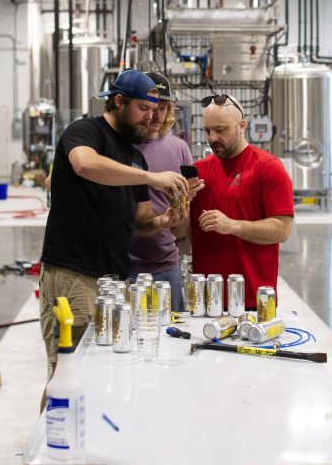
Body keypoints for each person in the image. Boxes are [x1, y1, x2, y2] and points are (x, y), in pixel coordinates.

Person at [38, 70, 190, 376]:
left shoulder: (134, 156)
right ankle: (54, 426)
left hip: (114, 280)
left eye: (155, 110)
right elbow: (84, 164)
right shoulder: (84, 132)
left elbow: (142, 222)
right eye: (143, 109)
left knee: (102, 371)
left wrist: (164, 220)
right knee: (68, 371)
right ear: (119, 102)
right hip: (73, 274)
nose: (150, 117)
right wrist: (150, 178)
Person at [190, 94, 294, 308]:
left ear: (241, 126)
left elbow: (282, 230)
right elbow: (182, 231)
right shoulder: (198, 172)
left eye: (220, 130)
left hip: (253, 299)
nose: (212, 138)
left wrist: (232, 226)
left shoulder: (268, 168)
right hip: (206, 299)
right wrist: (177, 208)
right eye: (207, 130)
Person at [127, 72, 198, 311]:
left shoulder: (179, 149)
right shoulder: (120, 147)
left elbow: (181, 226)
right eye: (150, 107)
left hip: (166, 263)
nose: (156, 115)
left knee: (173, 338)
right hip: (125, 265)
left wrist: (181, 207)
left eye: (163, 107)